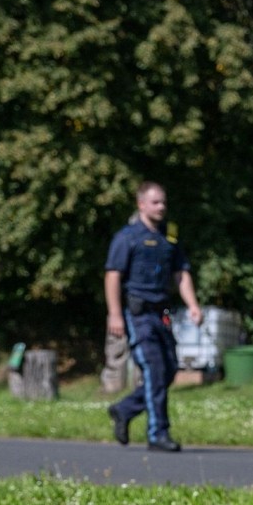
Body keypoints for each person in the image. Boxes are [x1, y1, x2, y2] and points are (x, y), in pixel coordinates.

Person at [104, 181, 202, 452]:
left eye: (163, 202)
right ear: (141, 204)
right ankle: (158, 433)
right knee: (154, 370)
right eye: (155, 202)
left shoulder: (169, 237)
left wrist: (193, 305)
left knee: (169, 369)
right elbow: (113, 275)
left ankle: (124, 409)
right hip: (138, 316)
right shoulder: (127, 237)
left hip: (163, 314)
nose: (161, 207)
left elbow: (181, 273)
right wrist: (114, 314)